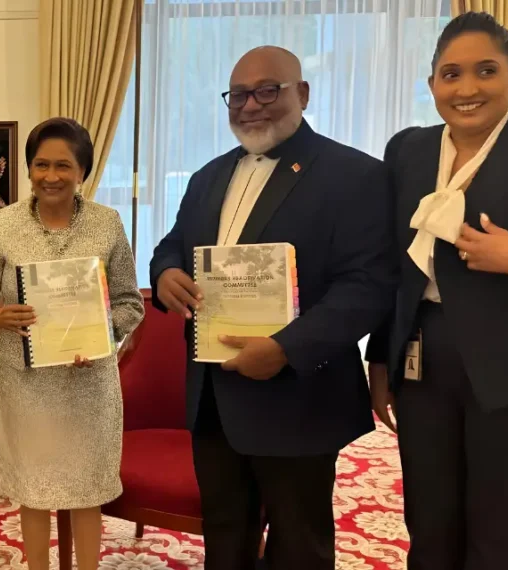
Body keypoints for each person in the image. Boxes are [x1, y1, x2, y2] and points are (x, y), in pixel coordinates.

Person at [149, 46, 394, 570]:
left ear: (302, 94)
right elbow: (172, 246)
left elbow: (368, 285)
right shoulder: (208, 176)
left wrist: (286, 349)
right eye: (238, 95)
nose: (250, 105)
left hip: (298, 396)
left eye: (267, 90)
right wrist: (166, 273)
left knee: (298, 542)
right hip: (214, 394)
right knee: (225, 536)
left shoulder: (354, 175)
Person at [365, 13, 508, 570]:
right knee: (429, 527)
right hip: (425, 362)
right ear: (432, 85)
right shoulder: (409, 151)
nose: (467, 88)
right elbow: (391, 269)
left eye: (486, 71)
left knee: (496, 537)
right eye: (451, 75)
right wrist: (382, 359)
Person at [0, 117, 143, 570]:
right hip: (27, 386)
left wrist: (101, 336)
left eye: (64, 165)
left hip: (89, 382)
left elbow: (130, 304)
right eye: (41, 164)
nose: (52, 176)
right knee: (34, 491)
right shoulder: (3, 224)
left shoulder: (107, 224)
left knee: (88, 491)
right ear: (28, 169)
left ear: (83, 171)